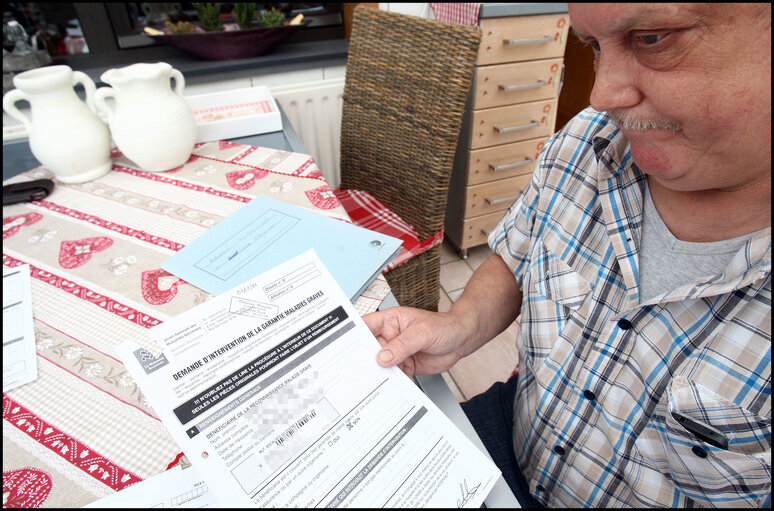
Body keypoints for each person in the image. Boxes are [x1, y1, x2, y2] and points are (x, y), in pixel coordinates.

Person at [363, 3, 771, 508]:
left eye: (653, 39)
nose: (601, 95)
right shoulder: (587, 140)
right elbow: (520, 252)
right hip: (516, 439)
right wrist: (462, 324)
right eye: (595, 47)